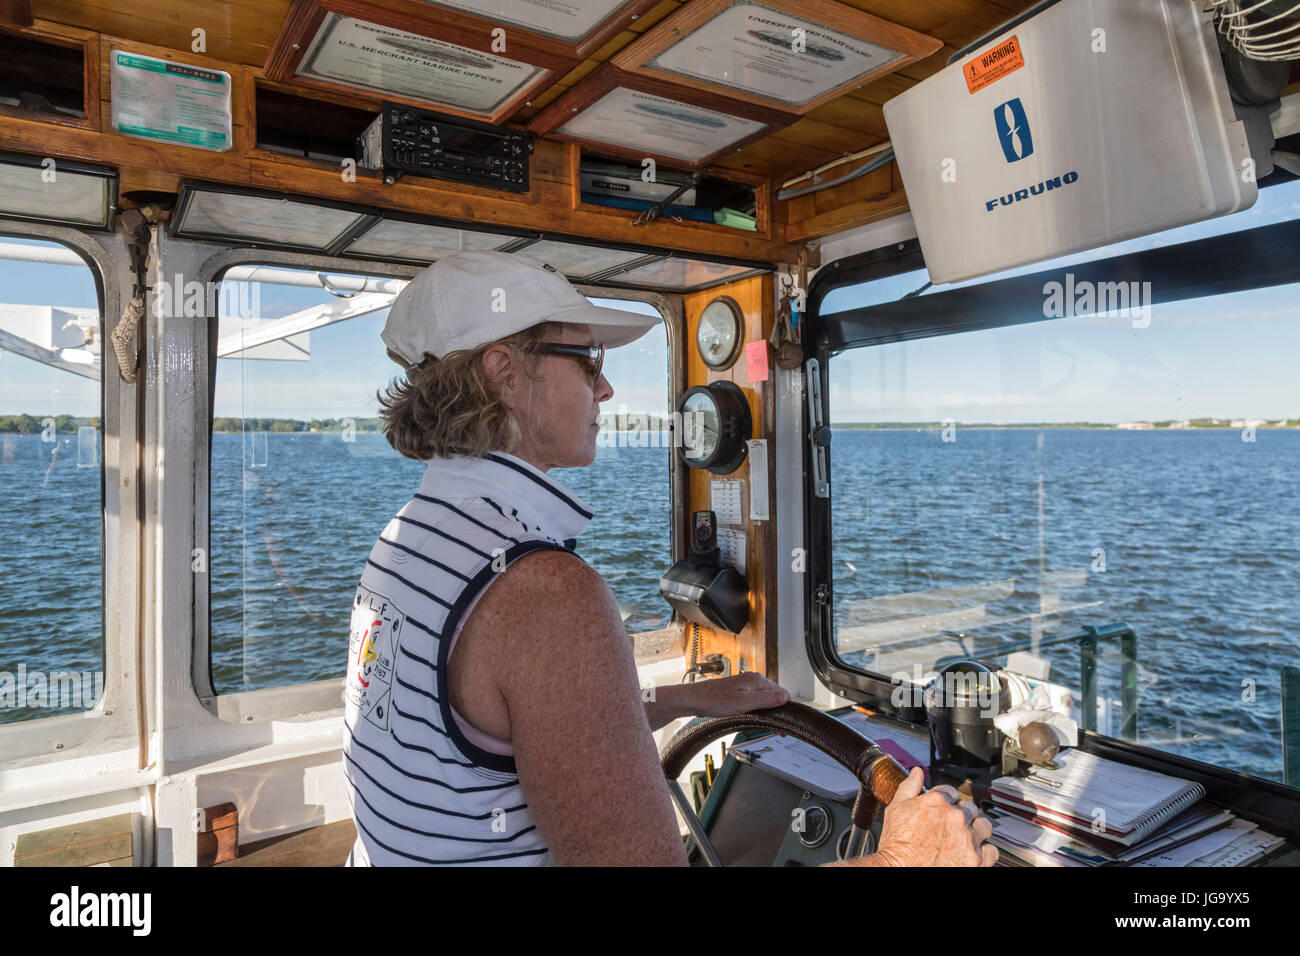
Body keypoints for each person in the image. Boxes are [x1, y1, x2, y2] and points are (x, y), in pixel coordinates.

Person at [342, 250, 996, 867]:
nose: (606, 390)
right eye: (588, 360)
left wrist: (691, 698)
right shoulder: (542, 591)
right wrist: (905, 857)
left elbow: (532, 724)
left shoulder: (412, 540)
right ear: (501, 371)